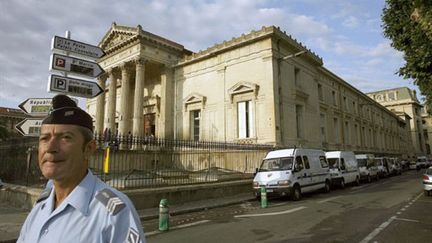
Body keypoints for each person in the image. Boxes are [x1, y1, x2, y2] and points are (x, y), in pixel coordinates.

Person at [17, 94, 146, 243]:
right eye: (44, 138)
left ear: (89, 149)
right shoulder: (40, 207)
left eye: (65, 137)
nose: (50, 148)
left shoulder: (114, 213)